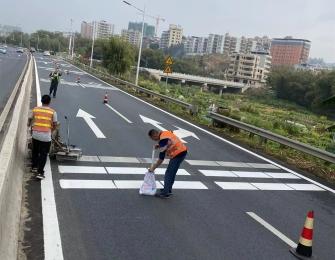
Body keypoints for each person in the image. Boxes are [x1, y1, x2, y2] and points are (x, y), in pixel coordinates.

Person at [148, 129, 188, 198]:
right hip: (182, 151)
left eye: (153, 138)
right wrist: (159, 145)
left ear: (155, 135)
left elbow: (161, 159)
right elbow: (169, 137)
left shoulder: (163, 140)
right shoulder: (165, 133)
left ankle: (165, 193)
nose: (153, 140)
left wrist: (153, 168)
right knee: (172, 172)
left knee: (169, 173)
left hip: (178, 154)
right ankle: (168, 189)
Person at [30, 95, 57, 180]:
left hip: (35, 135)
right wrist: (51, 131)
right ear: (49, 102)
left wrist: (30, 126)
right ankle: (40, 172)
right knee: (43, 154)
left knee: (35, 151)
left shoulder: (35, 109)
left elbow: (31, 120)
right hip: (45, 137)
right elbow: (55, 124)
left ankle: (34, 167)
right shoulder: (53, 112)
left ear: (41, 101)